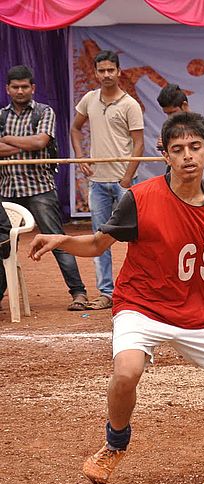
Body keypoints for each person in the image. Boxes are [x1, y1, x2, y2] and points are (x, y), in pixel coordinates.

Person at [29, 112, 204, 484]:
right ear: (166, 156)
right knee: (127, 372)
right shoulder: (140, 199)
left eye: (195, 147)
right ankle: (114, 444)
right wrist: (61, 239)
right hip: (140, 305)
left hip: (196, 314)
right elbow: (98, 244)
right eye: (178, 149)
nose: (187, 156)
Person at [0, 64, 90, 311]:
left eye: (25, 86)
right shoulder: (1, 116)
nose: (20, 91)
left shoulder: (44, 111)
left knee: (57, 240)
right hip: (7, 190)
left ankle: (78, 292)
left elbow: (41, 141)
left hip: (40, 187)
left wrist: (9, 141)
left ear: (33, 88)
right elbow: (30, 143)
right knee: (3, 244)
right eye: (15, 87)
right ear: (8, 89)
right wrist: (27, 145)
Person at [71, 50, 144, 311]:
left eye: (110, 70)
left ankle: (137, 290)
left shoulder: (129, 104)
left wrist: (127, 176)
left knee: (136, 237)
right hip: (98, 182)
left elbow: (138, 143)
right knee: (100, 238)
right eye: (101, 70)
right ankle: (106, 292)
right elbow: (75, 128)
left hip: (124, 182)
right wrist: (81, 157)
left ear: (119, 71)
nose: (106, 75)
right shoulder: (89, 100)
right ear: (96, 73)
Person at [156, 83, 204, 309]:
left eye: (173, 113)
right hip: (175, 191)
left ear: (184, 106)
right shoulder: (172, 130)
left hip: (198, 190)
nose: (169, 117)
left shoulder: (200, 127)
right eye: (166, 114)